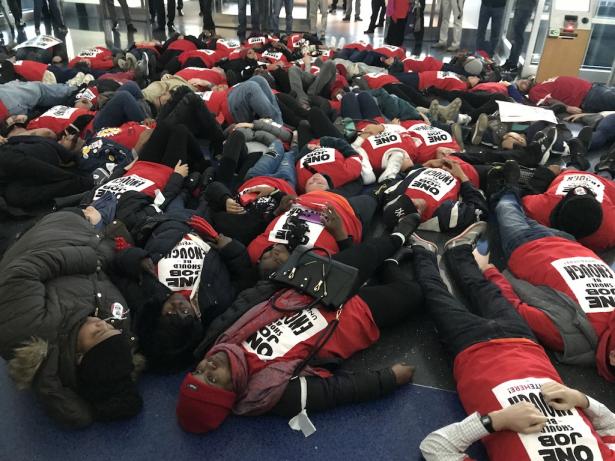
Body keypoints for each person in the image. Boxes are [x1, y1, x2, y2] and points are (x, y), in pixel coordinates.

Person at [176, 220, 425, 434]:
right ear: (231, 392)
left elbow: (245, 302)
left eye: (197, 373)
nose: (207, 366)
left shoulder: (220, 341)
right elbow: (336, 392)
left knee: (372, 250)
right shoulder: (271, 394)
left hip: (307, 290)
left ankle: (398, 235)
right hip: (351, 317)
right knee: (414, 294)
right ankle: (390, 264)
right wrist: (389, 379)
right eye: (212, 378)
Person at [412, 223, 615, 460]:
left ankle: (421, 253)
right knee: (484, 289)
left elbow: (435, 447)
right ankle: (458, 251)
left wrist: (496, 421)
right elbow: (611, 426)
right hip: (525, 346)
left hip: (473, 352)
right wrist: (582, 400)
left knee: (436, 294)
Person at [0, 211, 143, 427]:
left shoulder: (28, 331)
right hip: (85, 242)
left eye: (97, 332)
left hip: (48, 236)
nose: (101, 322)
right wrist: (106, 246)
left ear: (79, 357)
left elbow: (24, 270)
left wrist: (92, 259)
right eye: (110, 327)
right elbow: (101, 276)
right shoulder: (116, 325)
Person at [518, 75, 615, 114]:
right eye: (520, 86)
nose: (522, 83)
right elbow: (547, 101)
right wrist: (567, 108)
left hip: (594, 89)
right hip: (589, 97)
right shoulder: (533, 93)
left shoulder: (541, 84)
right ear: (523, 93)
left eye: (521, 80)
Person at [502, 0, 538, 71]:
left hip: (525, 8)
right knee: (516, 36)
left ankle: (513, 64)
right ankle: (511, 62)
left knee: (518, 37)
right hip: (520, 6)